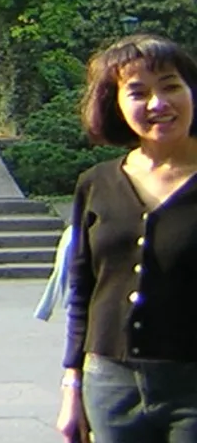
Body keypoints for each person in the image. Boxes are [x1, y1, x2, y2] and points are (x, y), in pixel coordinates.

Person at [57, 33, 197, 443]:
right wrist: (72, 388)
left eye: (171, 86)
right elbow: (82, 291)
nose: (158, 104)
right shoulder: (96, 184)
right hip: (111, 386)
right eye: (138, 92)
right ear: (115, 104)